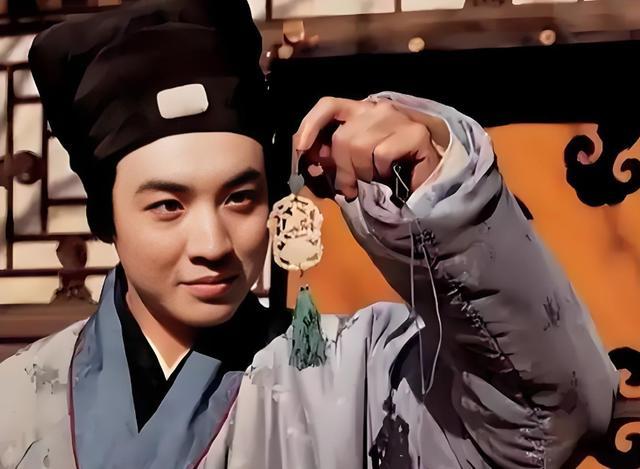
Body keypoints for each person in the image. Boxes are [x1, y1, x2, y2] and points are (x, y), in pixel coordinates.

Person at [0, 0, 617, 468]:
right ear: (106, 219)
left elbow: (546, 421)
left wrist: (444, 199)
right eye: (168, 205)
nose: (213, 244)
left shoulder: (357, 373)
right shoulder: (16, 400)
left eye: (240, 198)